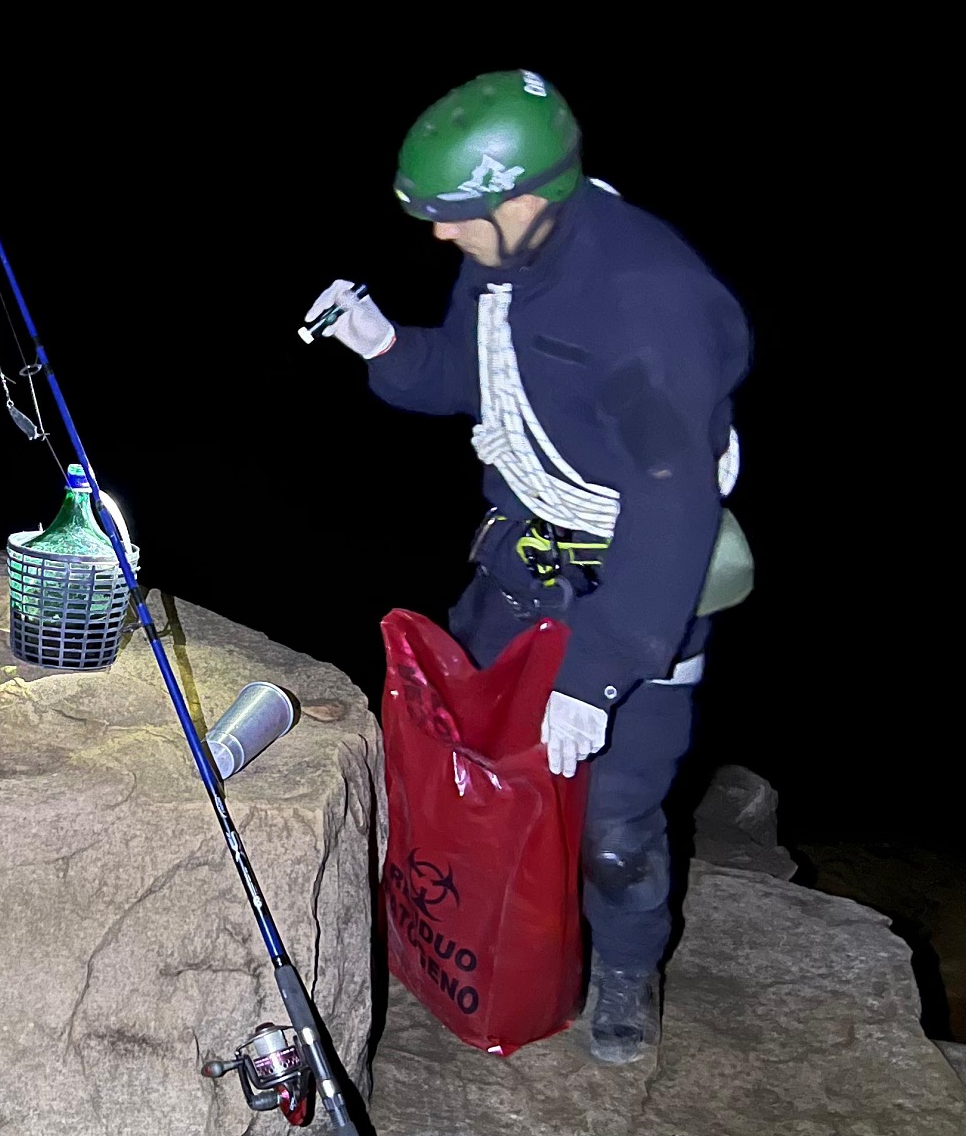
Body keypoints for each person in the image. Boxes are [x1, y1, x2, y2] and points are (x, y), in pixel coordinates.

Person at [307, 69, 751, 1064]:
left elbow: (671, 508)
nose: (438, 239)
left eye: (453, 218)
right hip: (522, 563)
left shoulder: (649, 306)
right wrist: (382, 343)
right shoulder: (508, 259)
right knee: (469, 761)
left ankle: (631, 964)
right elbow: (477, 379)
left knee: (612, 820)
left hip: (640, 592)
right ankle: (475, 926)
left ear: (521, 201)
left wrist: (598, 674)